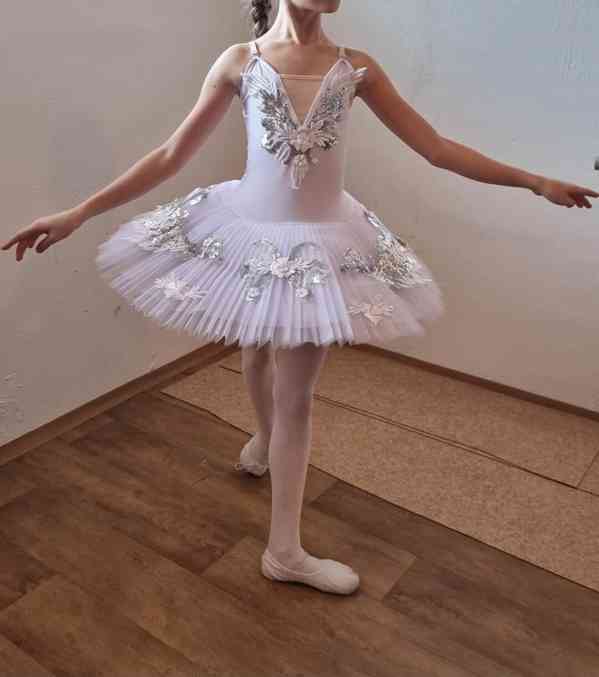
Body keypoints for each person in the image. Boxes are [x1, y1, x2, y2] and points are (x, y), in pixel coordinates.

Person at [2, 0, 597, 595]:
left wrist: (533, 181)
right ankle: (263, 439)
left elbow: (436, 147)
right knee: (255, 348)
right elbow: (170, 156)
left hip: (322, 246)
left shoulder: (357, 67)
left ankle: (283, 550)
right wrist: (78, 213)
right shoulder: (240, 61)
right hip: (245, 228)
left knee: (297, 398)